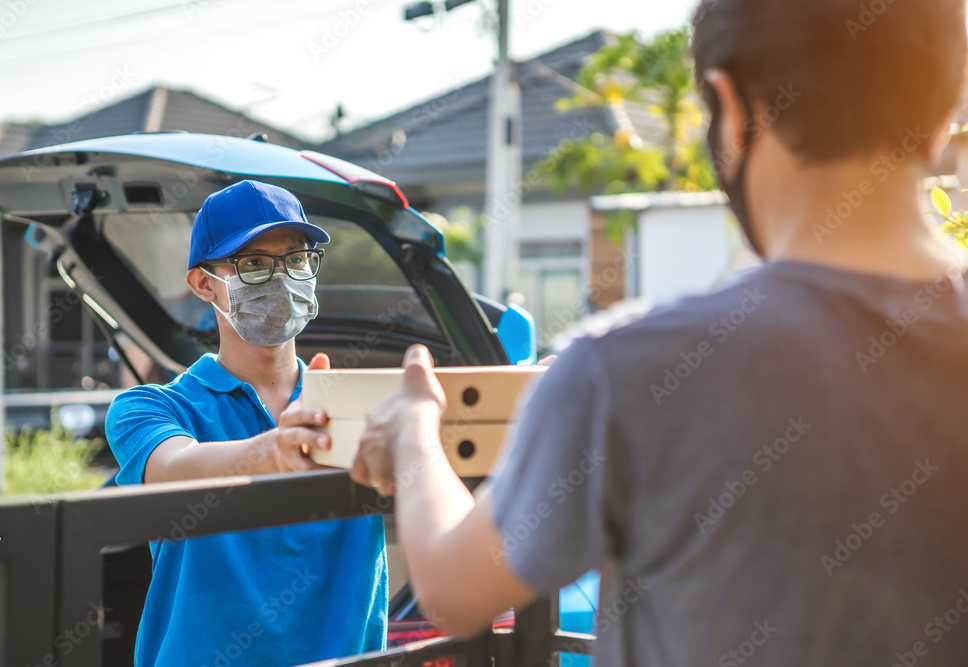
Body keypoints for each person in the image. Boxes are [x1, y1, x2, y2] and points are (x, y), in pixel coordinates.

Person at [348, 0, 968, 664]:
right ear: (945, 110)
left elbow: (453, 585)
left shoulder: (630, 369)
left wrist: (414, 426)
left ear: (731, 108)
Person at [106, 180, 386, 666]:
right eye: (254, 264)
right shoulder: (151, 408)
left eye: (296, 259)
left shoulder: (366, 403)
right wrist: (272, 451)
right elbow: (174, 467)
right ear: (202, 284)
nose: (282, 278)